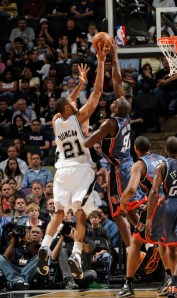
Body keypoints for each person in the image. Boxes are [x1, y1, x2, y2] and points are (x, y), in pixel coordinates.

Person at [37, 42, 109, 278]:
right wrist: (99, 63)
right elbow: (97, 94)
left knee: (58, 213)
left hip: (61, 172)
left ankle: (45, 246)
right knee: (81, 214)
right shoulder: (82, 118)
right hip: (80, 170)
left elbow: (63, 103)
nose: (75, 101)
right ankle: (77, 253)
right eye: (73, 103)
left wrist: (79, 84)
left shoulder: (56, 121)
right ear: (70, 108)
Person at [84, 41, 146, 249]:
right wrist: (115, 56)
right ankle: (143, 242)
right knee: (124, 209)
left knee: (119, 211)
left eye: (114, 103)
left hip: (118, 169)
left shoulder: (110, 123)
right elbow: (118, 81)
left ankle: (135, 246)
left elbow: (88, 142)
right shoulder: (125, 117)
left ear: (117, 109)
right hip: (126, 164)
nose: (112, 101)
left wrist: (82, 133)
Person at [116, 136, 167, 297]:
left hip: (156, 204)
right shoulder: (162, 159)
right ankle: (170, 280)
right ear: (150, 146)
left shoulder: (138, 164)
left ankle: (128, 284)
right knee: (165, 242)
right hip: (169, 202)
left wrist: (122, 202)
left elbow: (131, 189)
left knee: (135, 241)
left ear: (136, 150)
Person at [146, 136, 177, 298]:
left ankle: (173, 280)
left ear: (166, 151)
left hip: (169, 208)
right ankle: (174, 281)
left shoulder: (162, 166)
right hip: (171, 203)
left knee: (170, 247)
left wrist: (149, 217)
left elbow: (153, 191)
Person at [0, 225, 43, 290]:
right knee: (0, 258)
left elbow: (36, 256)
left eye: (37, 232)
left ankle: (17, 281)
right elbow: (5, 258)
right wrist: (12, 242)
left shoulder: (37, 246)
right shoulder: (14, 244)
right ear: (29, 234)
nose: (34, 234)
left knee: (41, 257)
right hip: (14, 270)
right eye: (33, 232)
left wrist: (27, 242)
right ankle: (20, 281)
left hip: (28, 270)